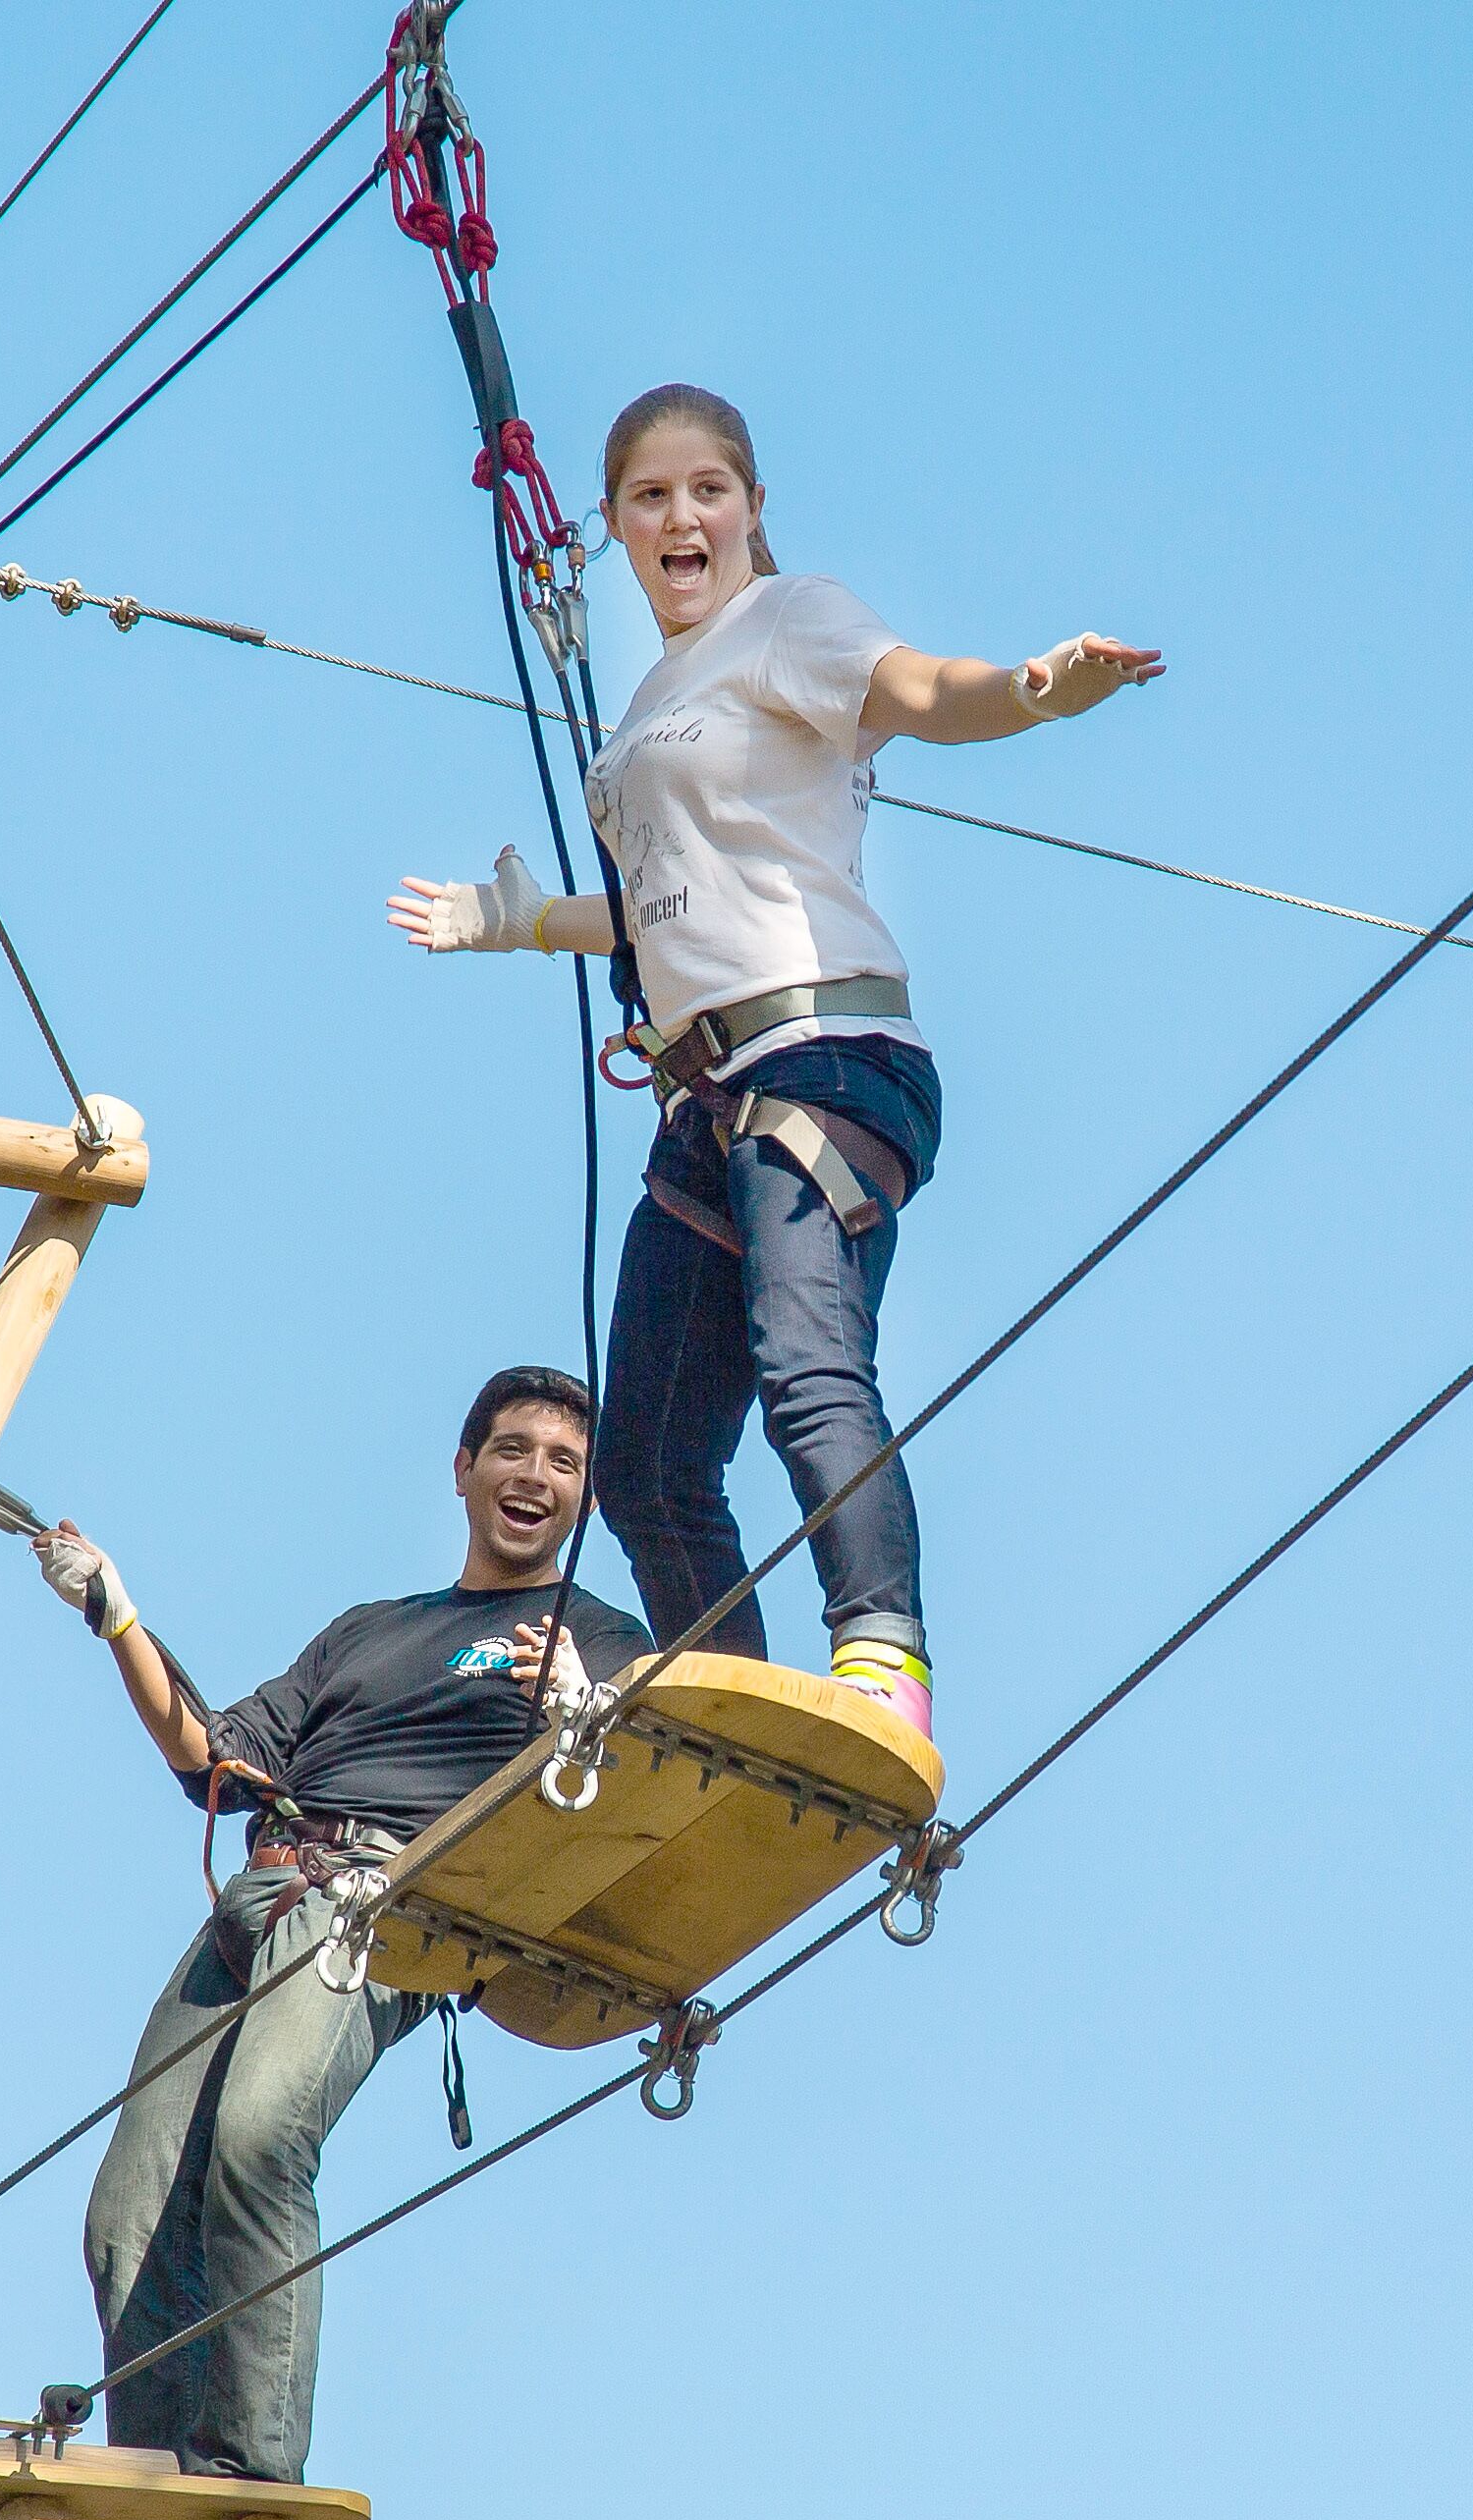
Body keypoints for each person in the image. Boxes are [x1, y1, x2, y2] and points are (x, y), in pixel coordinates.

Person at [391, 380, 1166, 1741]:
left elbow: (922, 691)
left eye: (707, 489)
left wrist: (1033, 690)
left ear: (751, 508)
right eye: (649, 496)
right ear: (616, 528)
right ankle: (728, 1706)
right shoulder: (644, 706)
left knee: (808, 1363)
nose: (680, 515)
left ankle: (881, 1659)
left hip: (822, 1059)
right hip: (705, 1097)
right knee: (641, 1463)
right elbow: (668, 900)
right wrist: (516, 927)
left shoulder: (791, 620)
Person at [34, 1366, 651, 2482]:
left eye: (563, 1464)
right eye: (512, 1451)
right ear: (463, 1472)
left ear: (586, 1501)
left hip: (393, 1900)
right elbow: (209, 1758)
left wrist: (581, 1708)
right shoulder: (369, 1631)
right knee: (123, 2216)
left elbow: (641, 1789)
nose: (535, 1477)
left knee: (263, 2138)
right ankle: (160, 2492)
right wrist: (116, 1614)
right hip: (264, 1891)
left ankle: (247, 2479)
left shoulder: (596, 1634)